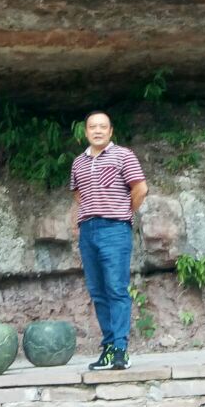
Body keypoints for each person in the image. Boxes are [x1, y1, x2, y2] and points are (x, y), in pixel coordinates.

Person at [69, 110, 148, 371]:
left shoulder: (124, 155)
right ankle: (108, 348)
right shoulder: (78, 162)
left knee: (116, 288)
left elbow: (140, 189)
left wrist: (123, 212)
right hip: (88, 230)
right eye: (93, 127)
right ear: (86, 132)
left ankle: (120, 350)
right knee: (98, 291)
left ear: (111, 131)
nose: (98, 131)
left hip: (115, 229)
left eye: (103, 126)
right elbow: (78, 193)